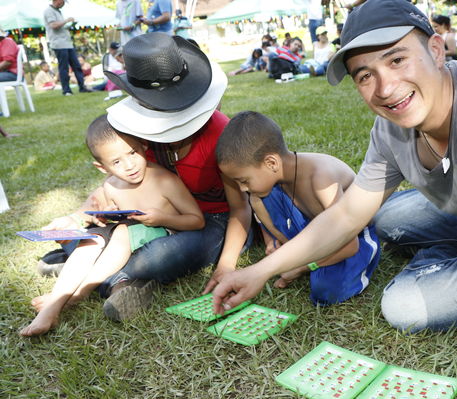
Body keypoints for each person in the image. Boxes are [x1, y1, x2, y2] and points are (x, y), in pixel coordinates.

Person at [211, 1, 457, 398]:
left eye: (397, 59)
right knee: (390, 215)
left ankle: (454, 259)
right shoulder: (390, 129)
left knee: (403, 305)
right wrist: (257, 272)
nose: (385, 88)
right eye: (365, 75)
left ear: (435, 50)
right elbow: (347, 215)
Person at [41, 33, 252, 322]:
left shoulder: (220, 134)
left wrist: (227, 265)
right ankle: (109, 274)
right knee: (97, 234)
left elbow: (241, 209)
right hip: (146, 221)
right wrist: (80, 216)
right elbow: (114, 182)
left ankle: (109, 276)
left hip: (210, 221)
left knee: (157, 258)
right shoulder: (135, 130)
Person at [20, 115, 205, 337]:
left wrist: (162, 218)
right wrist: (97, 218)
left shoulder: (164, 180)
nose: (129, 165)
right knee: (90, 240)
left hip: (161, 235)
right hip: (124, 237)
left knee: (123, 232)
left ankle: (80, 292)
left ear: (144, 146)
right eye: (117, 162)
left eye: (133, 153)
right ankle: (52, 308)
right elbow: (108, 214)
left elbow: (197, 220)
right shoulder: (110, 185)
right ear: (101, 167)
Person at [207, 111, 380, 305]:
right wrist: (271, 240)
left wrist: (302, 266)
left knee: (326, 289)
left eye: (244, 181)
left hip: (353, 237)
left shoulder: (320, 178)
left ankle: (312, 261)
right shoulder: (274, 179)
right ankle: (296, 253)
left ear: (271, 163)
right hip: (315, 228)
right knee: (262, 193)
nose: (242, 188)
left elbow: (349, 244)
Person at [43, 0, 91, 96]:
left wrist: (69, 25)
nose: (64, 3)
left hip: (67, 44)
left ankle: (82, 87)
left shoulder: (58, 11)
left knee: (77, 66)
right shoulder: (49, 11)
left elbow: (60, 27)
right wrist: (66, 20)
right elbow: (53, 25)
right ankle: (66, 90)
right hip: (59, 44)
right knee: (64, 67)